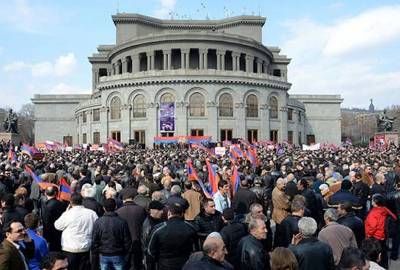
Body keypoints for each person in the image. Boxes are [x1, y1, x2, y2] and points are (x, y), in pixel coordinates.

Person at [54, 193, 98, 270]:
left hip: (70, 248)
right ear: (82, 201)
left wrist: (65, 212)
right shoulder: (91, 213)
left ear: (70, 202)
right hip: (85, 247)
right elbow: (97, 227)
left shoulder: (68, 214)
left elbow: (57, 225)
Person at [148, 203, 197, 270]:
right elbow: (196, 248)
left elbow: (150, 250)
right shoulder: (190, 227)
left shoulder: (159, 228)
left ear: (169, 214)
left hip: (165, 264)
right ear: (182, 214)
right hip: (185, 264)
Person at [92, 198, 131, 270]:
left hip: (104, 254)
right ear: (115, 207)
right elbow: (127, 241)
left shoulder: (98, 222)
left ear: (104, 208)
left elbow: (94, 240)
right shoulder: (122, 222)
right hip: (117, 254)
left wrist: (97, 251)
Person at [116, 187, 147, 270]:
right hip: (138, 240)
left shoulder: (119, 211)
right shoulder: (140, 210)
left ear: (124, 200)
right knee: (136, 264)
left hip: (124, 242)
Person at [365, 193, 397, 268]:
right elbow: (394, 217)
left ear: (375, 203)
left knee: (375, 254)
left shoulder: (373, 213)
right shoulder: (384, 209)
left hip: (375, 237)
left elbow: (372, 227)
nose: (371, 201)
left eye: (372, 200)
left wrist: (368, 235)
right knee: (383, 252)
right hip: (383, 235)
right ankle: (385, 266)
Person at [141, 200, 165, 270]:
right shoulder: (148, 225)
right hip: (151, 258)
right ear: (152, 210)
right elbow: (145, 243)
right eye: (159, 210)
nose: (162, 212)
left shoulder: (158, 221)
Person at [41, 186, 66, 252]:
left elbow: (46, 222)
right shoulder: (61, 204)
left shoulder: (46, 206)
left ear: (45, 194)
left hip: (51, 233)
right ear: (55, 193)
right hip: (60, 231)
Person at [272, 178, 290, 248]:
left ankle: (276, 246)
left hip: (276, 213)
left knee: (277, 232)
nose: (285, 185)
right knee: (281, 233)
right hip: (281, 215)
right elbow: (286, 206)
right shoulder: (280, 194)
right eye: (283, 184)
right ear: (278, 184)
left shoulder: (275, 189)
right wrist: (289, 202)